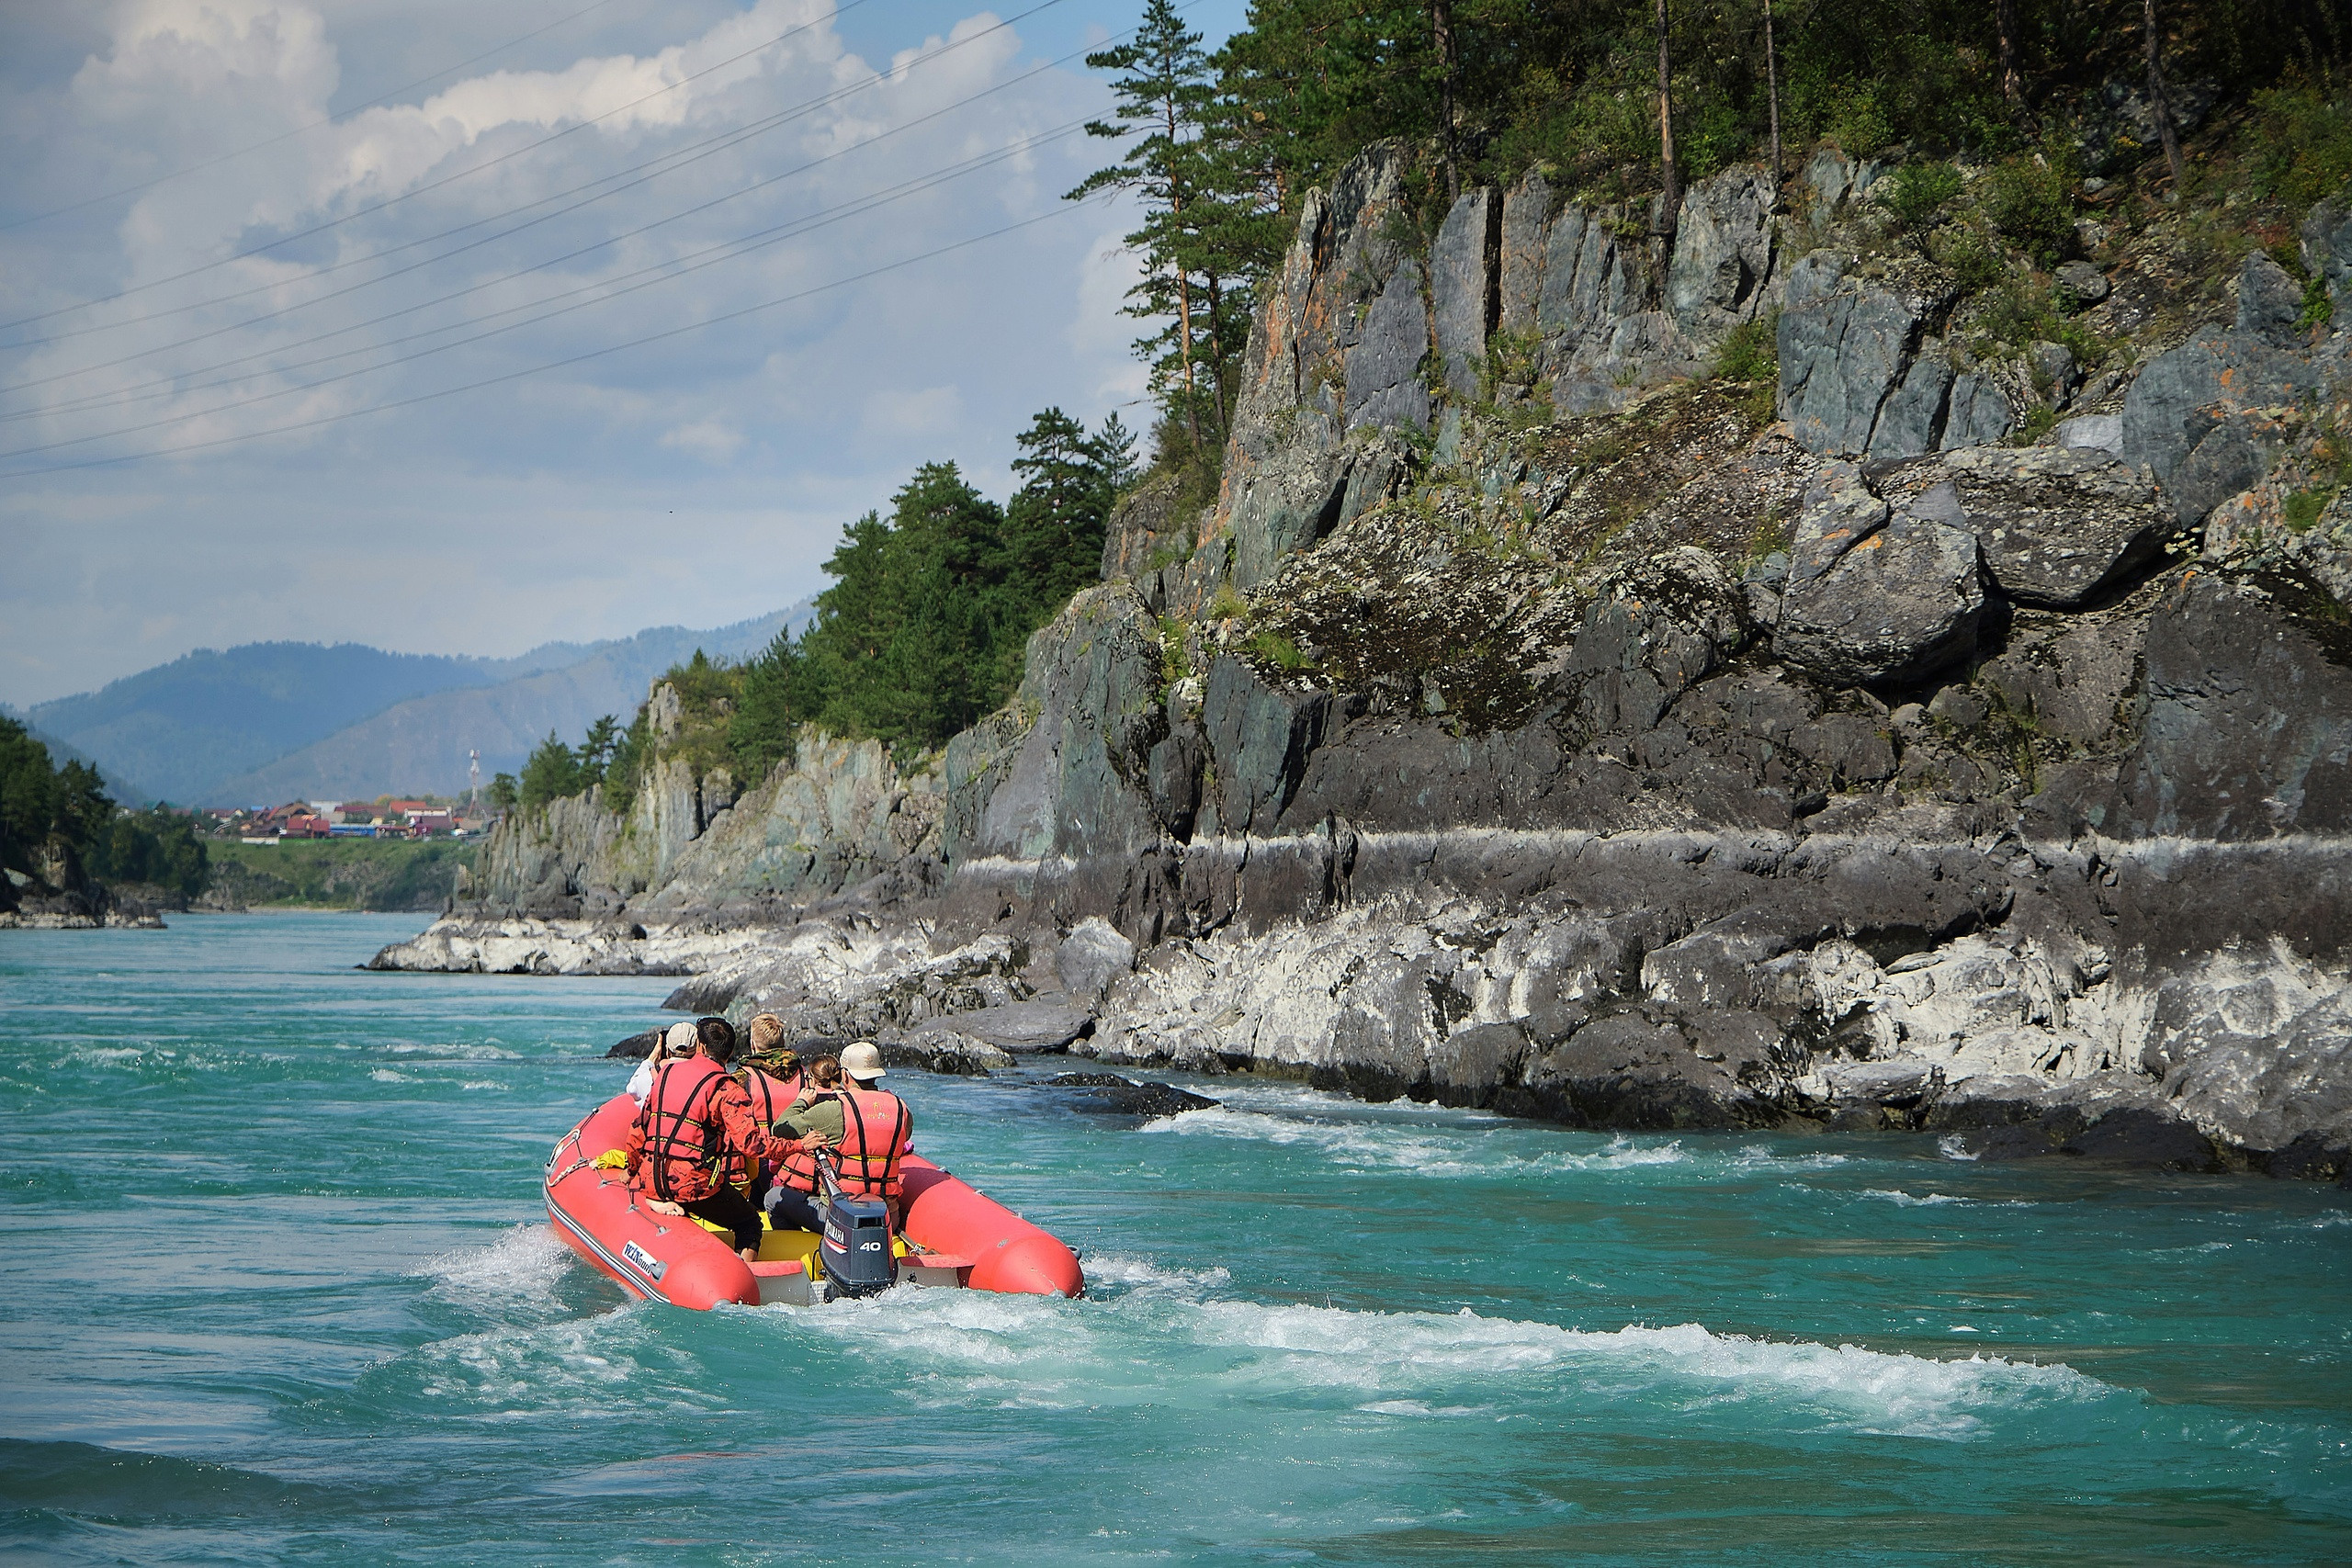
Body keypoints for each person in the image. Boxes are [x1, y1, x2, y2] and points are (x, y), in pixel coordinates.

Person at [623, 1016, 823, 1261]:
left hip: (653, 1177)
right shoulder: (727, 1089)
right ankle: (743, 1277)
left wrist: (631, 1171)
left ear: (701, 1046)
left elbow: (638, 1129)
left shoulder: (665, 1074)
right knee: (750, 1223)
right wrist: (799, 1145)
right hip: (691, 1185)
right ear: (730, 1052)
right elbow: (752, 1145)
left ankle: (659, 1204)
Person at [769, 1042, 912, 1234]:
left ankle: (799, 1246)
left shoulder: (836, 1109)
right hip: (887, 1218)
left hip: (842, 1219)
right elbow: (902, 1136)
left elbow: (780, 1128)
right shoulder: (901, 1108)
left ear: (845, 1075)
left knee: (772, 1198)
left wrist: (801, 1101)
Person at [626, 1021, 697, 1104]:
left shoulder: (651, 1077)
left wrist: (650, 1060)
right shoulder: (705, 1077)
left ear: (668, 1051)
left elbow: (632, 1089)